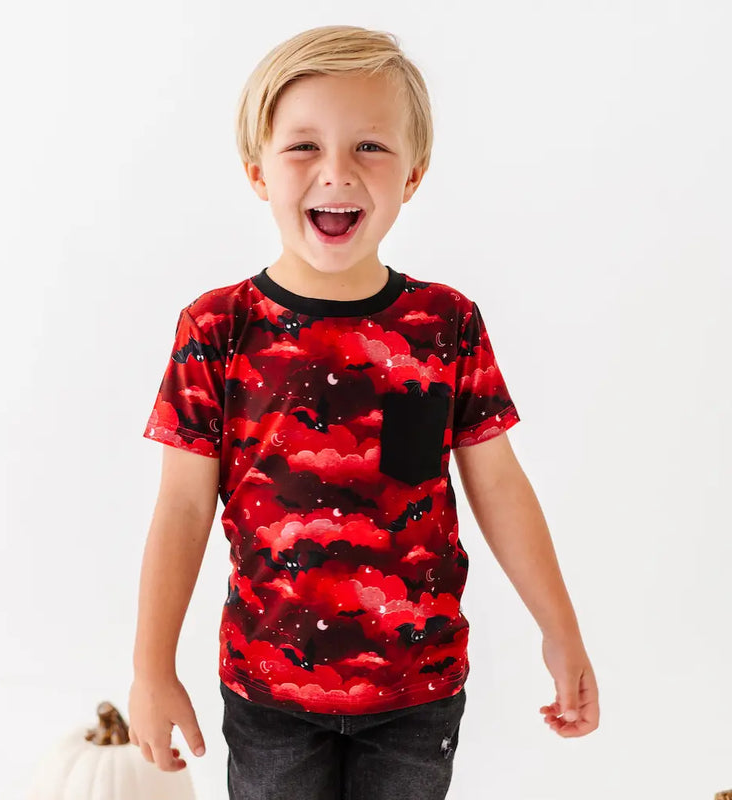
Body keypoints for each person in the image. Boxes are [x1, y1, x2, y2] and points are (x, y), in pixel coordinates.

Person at [128, 24, 599, 800]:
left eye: (370, 148)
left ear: (413, 176)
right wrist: (152, 669)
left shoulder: (446, 325)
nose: (336, 173)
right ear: (257, 172)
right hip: (268, 691)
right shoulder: (216, 329)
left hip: (419, 692)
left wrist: (562, 630)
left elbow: (500, 488)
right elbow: (181, 509)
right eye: (303, 147)